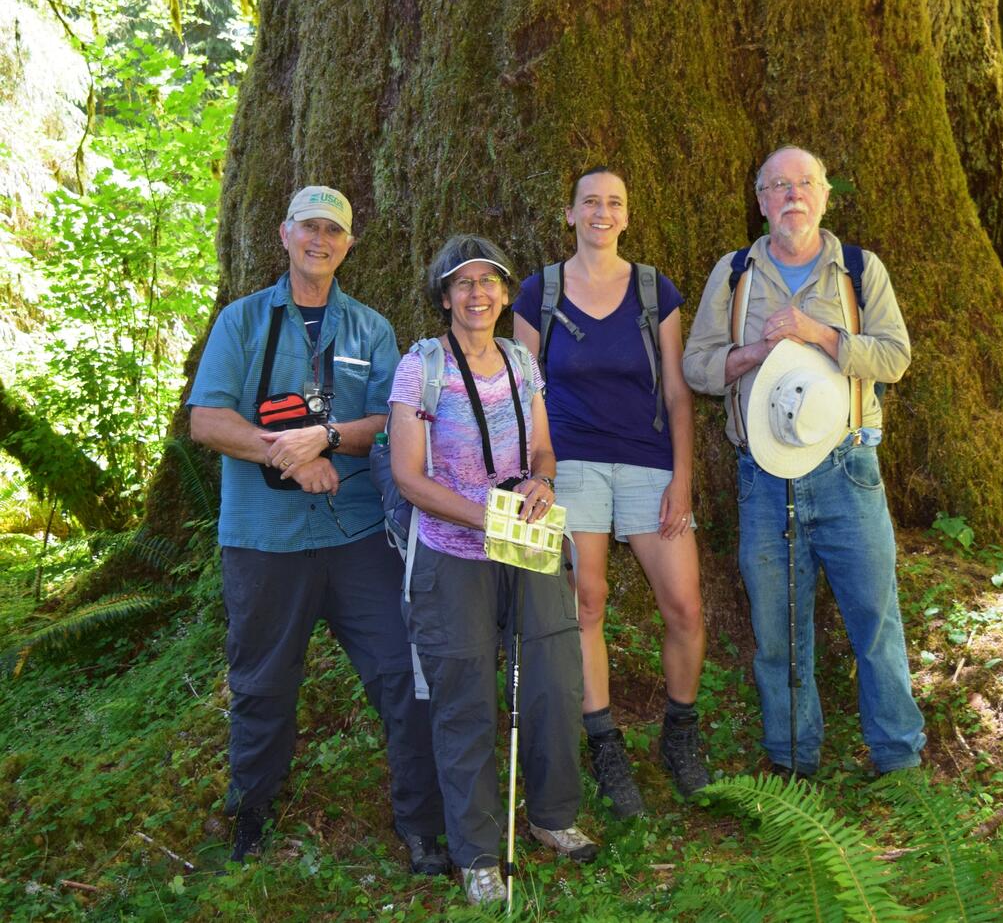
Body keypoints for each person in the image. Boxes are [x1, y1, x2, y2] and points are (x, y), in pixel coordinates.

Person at [189, 186, 448, 873]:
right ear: (284, 234)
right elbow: (208, 420)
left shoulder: (371, 330)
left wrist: (325, 437)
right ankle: (251, 817)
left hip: (356, 535)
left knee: (404, 671)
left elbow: (396, 422)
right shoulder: (242, 323)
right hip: (263, 539)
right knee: (262, 684)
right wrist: (293, 458)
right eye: (309, 226)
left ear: (348, 245)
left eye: (334, 230)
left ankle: (423, 826)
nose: (320, 239)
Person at [682, 146, 927, 777]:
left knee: (874, 618)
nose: (793, 195)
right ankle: (794, 766)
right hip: (762, 476)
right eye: (778, 186)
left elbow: (895, 357)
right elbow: (698, 367)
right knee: (778, 633)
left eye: (805, 184)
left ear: (824, 196)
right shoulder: (734, 273)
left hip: (848, 468)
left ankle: (899, 763)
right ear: (760, 200)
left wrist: (820, 335)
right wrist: (751, 356)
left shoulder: (858, 269)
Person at [389, 234, 597, 905]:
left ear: (506, 295)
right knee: (465, 697)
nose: (478, 293)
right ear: (444, 296)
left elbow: (542, 449)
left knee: (552, 680)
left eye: (490, 282)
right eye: (463, 283)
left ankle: (554, 816)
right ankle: (478, 853)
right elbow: (408, 478)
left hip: (524, 541)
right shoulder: (421, 368)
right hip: (452, 554)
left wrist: (539, 484)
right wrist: (483, 516)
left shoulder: (519, 362)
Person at [513, 167, 709, 817]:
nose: (601, 212)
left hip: (650, 463)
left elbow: (678, 394)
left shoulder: (655, 291)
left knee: (684, 607)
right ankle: (604, 744)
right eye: (589, 202)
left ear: (627, 216)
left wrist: (683, 478)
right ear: (569, 214)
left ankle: (680, 733)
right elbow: (521, 395)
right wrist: (536, 473)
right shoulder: (539, 293)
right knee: (586, 601)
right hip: (569, 465)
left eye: (614, 203)